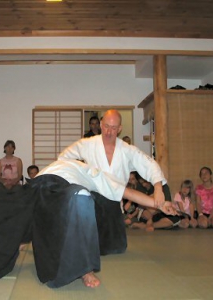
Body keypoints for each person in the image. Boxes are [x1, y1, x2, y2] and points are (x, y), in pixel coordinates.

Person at [0, 159, 176, 288]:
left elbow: (127, 192)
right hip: (34, 187)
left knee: (81, 196)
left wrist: (160, 204)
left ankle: (83, 269)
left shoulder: (97, 175)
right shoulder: (63, 161)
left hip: (61, 189)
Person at [57, 109, 172, 286]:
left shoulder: (127, 150)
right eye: (106, 126)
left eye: (113, 128)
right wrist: (79, 175)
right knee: (88, 235)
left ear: (119, 129)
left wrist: (158, 187)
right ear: (101, 125)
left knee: (117, 248)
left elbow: (148, 164)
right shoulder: (88, 144)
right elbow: (63, 159)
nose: (109, 132)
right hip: (92, 201)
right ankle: (83, 259)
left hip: (114, 202)